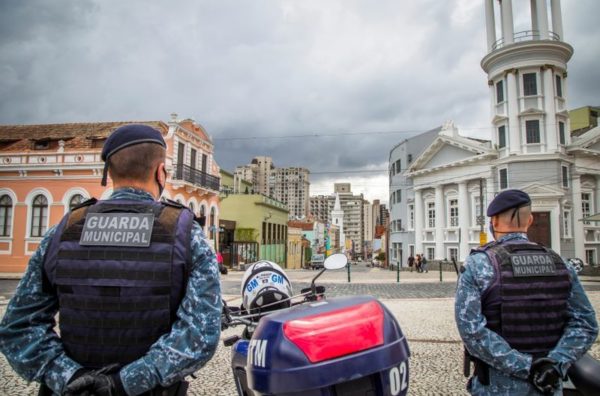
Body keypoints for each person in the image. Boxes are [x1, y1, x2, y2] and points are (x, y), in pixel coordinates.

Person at [0, 124, 222, 395]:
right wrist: (124, 382)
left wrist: (71, 378)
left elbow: (18, 328)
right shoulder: (187, 234)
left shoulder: (65, 229)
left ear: (109, 173)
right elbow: (200, 335)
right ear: (160, 171)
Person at [455, 189, 598, 395]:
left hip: (498, 386)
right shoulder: (561, 263)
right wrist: (554, 364)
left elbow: (472, 332)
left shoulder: (480, 264)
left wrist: (526, 366)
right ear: (529, 220)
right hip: (548, 384)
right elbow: (586, 324)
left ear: (494, 222)